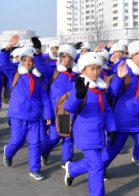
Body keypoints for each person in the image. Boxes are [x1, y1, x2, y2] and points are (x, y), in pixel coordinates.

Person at [101, 40, 139, 190]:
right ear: (134, 55)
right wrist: (120, 78)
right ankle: (85, 169)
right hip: (123, 120)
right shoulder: (124, 69)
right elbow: (113, 93)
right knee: (112, 150)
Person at [64, 52, 116, 196]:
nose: (95, 72)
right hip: (84, 132)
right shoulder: (80, 87)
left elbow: (107, 111)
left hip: (99, 132)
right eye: (91, 69)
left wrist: (112, 129)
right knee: (97, 165)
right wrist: (79, 96)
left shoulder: (100, 89)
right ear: (83, 70)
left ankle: (72, 169)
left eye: (97, 68)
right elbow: (69, 107)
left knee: (95, 162)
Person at [1, 35, 52, 180]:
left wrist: (47, 114)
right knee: (17, 141)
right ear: (21, 61)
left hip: (35, 115)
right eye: (25, 60)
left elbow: (45, 98)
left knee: (35, 143)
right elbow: (4, 62)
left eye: (31, 61)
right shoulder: (14, 73)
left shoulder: (38, 79)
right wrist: (8, 48)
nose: (28, 63)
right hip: (18, 114)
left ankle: (35, 169)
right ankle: (8, 152)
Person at [34, 39, 80, 168]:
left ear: (72, 58)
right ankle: (44, 152)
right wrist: (37, 51)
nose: (62, 58)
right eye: (61, 56)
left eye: (66, 56)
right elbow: (41, 66)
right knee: (54, 137)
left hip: (69, 111)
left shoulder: (78, 75)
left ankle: (66, 162)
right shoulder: (54, 71)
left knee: (67, 137)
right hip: (55, 111)